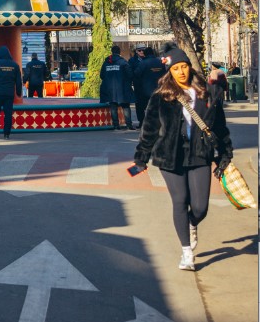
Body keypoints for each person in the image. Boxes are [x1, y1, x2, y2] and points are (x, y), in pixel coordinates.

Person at [133, 47, 233, 271]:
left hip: (199, 154)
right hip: (170, 156)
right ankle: (187, 252)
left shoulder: (207, 93)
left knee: (200, 207)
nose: (180, 72)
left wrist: (225, 154)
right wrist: (141, 158)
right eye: (175, 68)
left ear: (190, 67)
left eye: (183, 67)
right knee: (179, 200)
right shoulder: (161, 96)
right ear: (170, 71)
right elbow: (149, 129)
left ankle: (192, 222)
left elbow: (220, 127)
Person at [0, 45, 23, 138]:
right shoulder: (15, 65)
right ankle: (6, 134)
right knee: (8, 114)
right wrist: (18, 92)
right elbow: (18, 81)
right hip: (9, 94)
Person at [99, 45, 135, 130]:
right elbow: (130, 74)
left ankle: (116, 125)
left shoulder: (106, 62)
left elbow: (102, 75)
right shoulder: (123, 62)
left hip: (110, 89)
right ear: (119, 52)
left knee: (113, 106)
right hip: (122, 88)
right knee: (125, 106)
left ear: (111, 52)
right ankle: (129, 125)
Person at [133, 46, 164, 129]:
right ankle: (159, 123)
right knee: (158, 107)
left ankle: (142, 123)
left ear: (145, 54)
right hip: (159, 89)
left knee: (141, 107)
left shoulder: (143, 63)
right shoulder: (160, 62)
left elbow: (136, 74)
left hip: (145, 90)